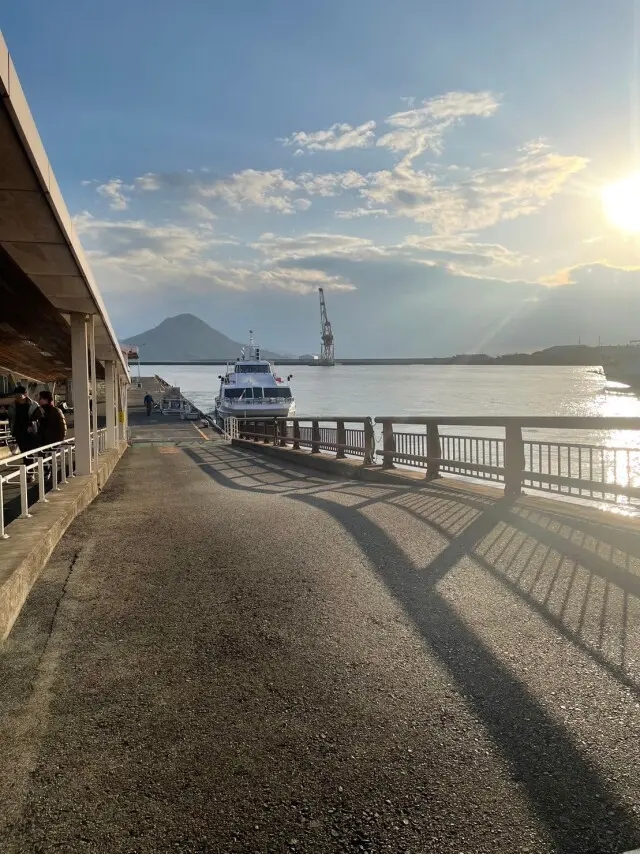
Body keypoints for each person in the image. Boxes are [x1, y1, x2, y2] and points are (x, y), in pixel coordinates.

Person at [7, 385, 42, 456]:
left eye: (19, 396)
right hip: (18, 432)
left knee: (31, 451)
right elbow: (10, 417)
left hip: (31, 431)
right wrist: (4, 413)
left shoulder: (34, 404)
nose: (17, 398)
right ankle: (27, 462)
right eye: (15, 396)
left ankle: (31, 462)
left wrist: (32, 424)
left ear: (25, 394)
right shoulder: (13, 405)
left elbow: (39, 416)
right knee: (23, 452)